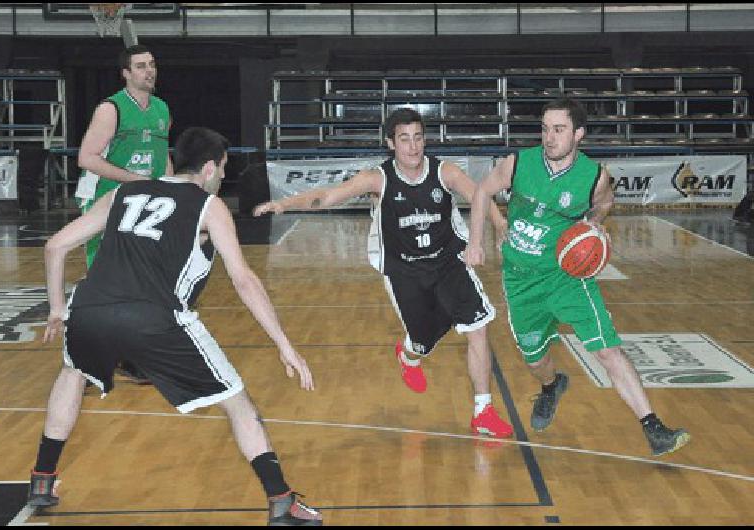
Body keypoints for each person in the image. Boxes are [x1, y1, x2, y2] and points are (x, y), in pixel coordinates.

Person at [27, 127, 322, 526]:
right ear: (207, 168)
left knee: (72, 371)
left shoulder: (122, 194)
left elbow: (55, 246)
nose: (221, 177)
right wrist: (284, 343)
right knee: (236, 401)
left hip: (90, 308)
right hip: (155, 317)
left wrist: (59, 310)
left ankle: (43, 479)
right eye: (221, 168)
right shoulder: (208, 205)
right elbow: (244, 279)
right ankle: (281, 500)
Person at [254, 108, 513, 438]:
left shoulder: (444, 171)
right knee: (423, 341)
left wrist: (499, 222)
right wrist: (283, 205)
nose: (413, 146)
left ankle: (483, 411)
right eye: (404, 139)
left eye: (418, 137)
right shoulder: (378, 178)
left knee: (477, 327)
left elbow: (479, 194)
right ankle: (409, 353)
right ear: (391, 143)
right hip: (404, 271)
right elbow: (328, 196)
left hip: (450, 263)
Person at [464, 98, 690, 457]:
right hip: (521, 280)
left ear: (578, 134)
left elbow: (604, 203)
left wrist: (594, 224)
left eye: (559, 130)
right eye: (544, 128)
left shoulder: (593, 176)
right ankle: (553, 386)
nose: (549, 137)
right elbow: (481, 191)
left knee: (606, 349)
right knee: (534, 358)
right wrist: (476, 241)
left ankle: (653, 427)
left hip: (566, 277)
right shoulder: (519, 163)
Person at [74, 44, 173, 384]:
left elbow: (162, 157)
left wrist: (173, 189)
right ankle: (86, 361)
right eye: (141, 66)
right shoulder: (111, 109)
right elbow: (86, 158)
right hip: (107, 201)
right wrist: (136, 180)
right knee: (105, 285)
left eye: (152, 63)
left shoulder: (161, 108)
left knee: (140, 283)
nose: (150, 70)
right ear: (126, 74)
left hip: (143, 205)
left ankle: (127, 356)